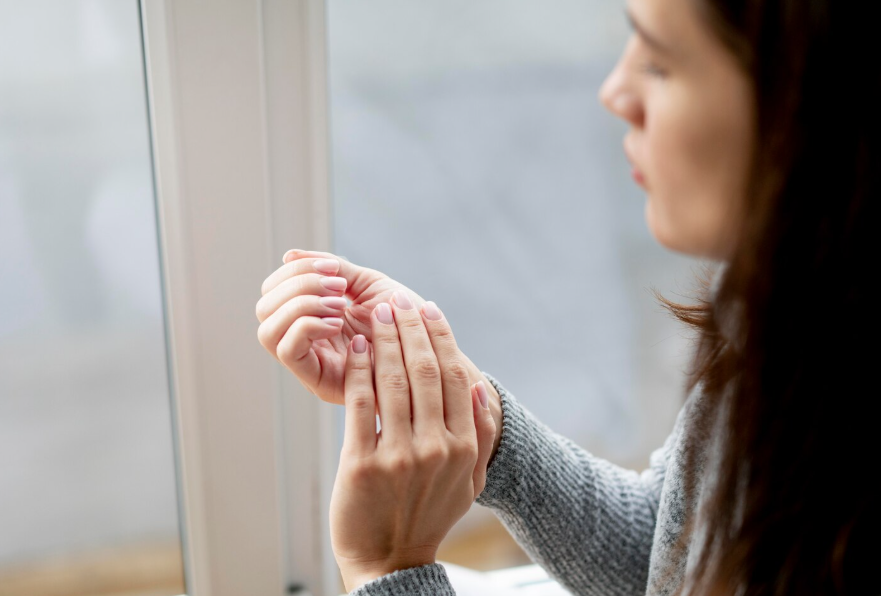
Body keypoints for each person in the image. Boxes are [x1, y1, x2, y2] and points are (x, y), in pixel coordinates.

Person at [255, 0, 878, 592]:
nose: (616, 92)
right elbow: (672, 559)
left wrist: (388, 567)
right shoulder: (792, 329)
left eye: (660, 63)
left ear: (805, 106)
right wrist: (479, 420)